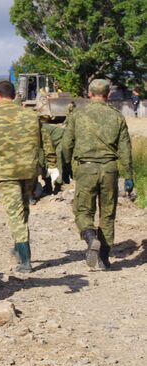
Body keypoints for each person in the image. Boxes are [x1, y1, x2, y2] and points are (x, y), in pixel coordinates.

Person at [0, 81, 57, 273]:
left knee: (15, 213)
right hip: (29, 170)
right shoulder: (31, 115)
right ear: (14, 96)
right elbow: (47, 142)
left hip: (6, 172)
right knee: (24, 207)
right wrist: (52, 165)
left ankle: (25, 259)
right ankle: (18, 246)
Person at [62, 79, 133, 270]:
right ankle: (104, 258)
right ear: (108, 94)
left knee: (83, 210)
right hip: (110, 169)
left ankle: (90, 237)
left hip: (86, 168)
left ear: (89, 93)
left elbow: (66, 143)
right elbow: (125, 149)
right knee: (108, 214)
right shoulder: (117, 117)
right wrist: (128, 176)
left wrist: (66, 166)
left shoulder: (77, 114)